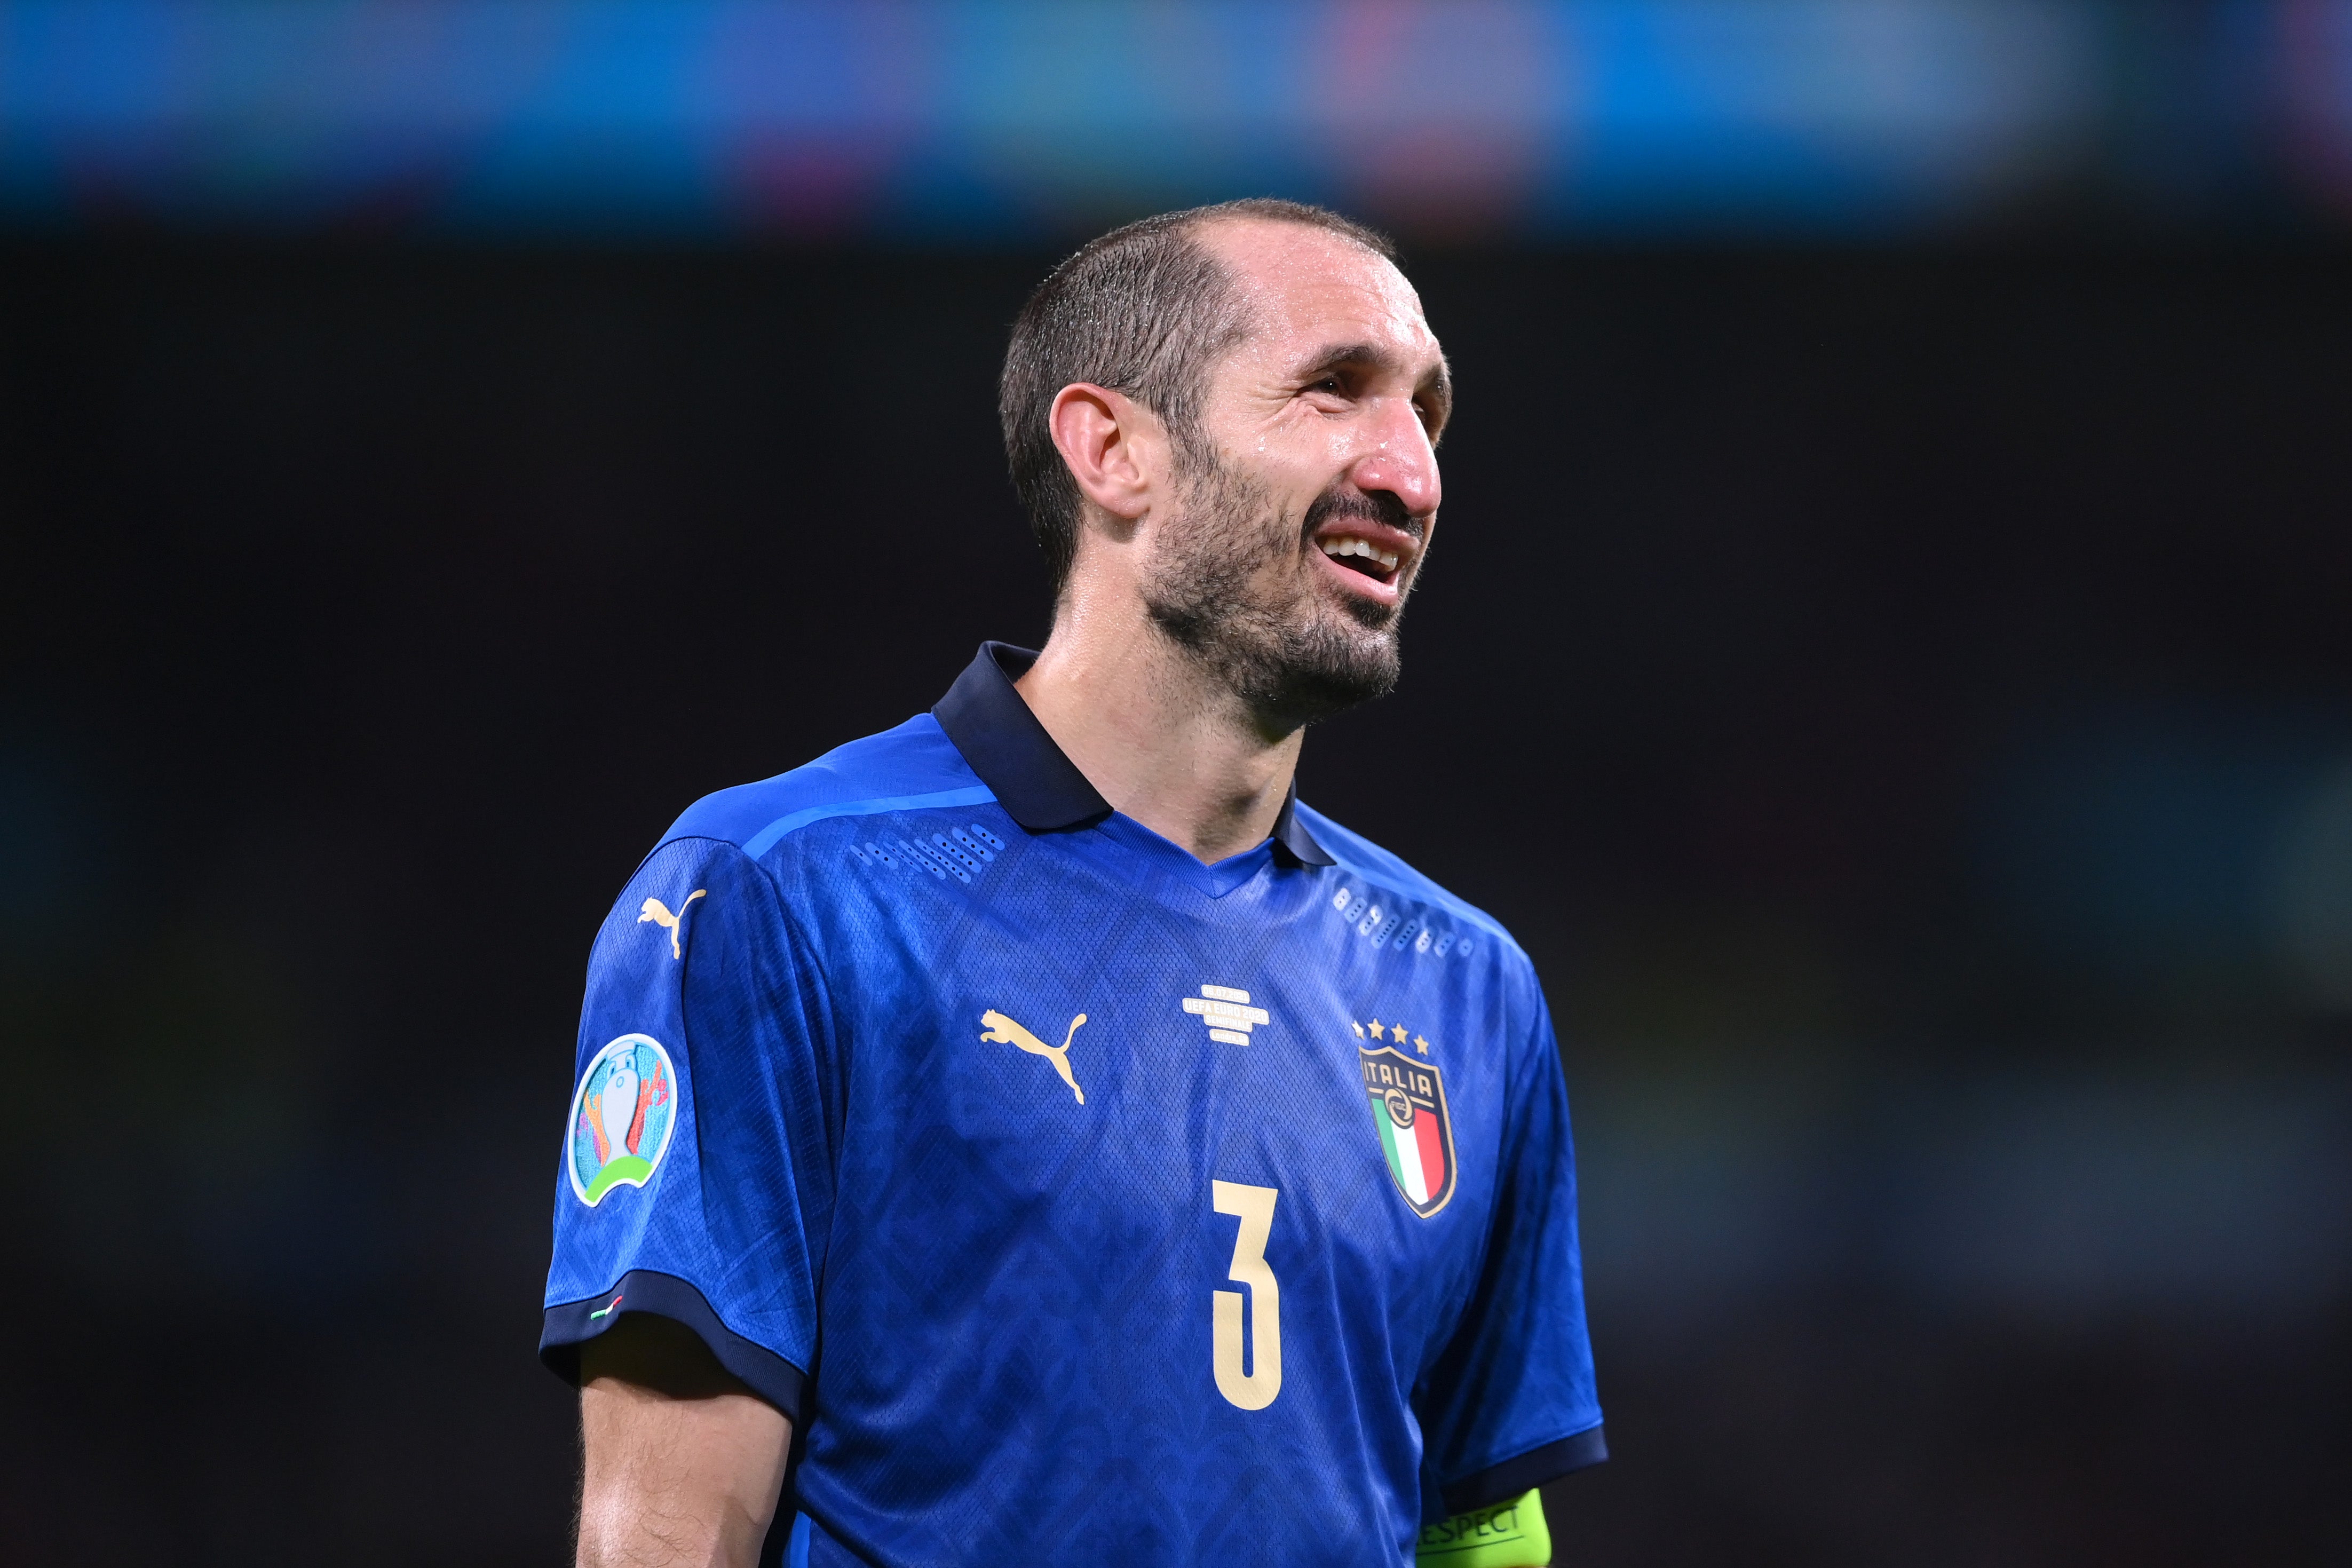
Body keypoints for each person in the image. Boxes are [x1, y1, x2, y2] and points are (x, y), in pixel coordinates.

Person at [542, 198, 1604, 1568]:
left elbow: (1483, 1528)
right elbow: (665, 1530)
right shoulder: (779, 897)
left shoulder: (1465, 986)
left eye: (1426, 414)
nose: (1409, 472)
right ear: (1113, 450)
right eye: (1334, 390)